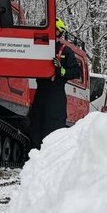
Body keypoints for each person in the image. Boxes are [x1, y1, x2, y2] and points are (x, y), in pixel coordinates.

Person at [28, 18, 83, 149]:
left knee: (52, 130)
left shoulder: (65, 51)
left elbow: (76, 72)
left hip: (56, 95)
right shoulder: (38, 47)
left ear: (58, 32)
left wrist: (61, 70)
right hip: (40, 93)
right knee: (35, 127)